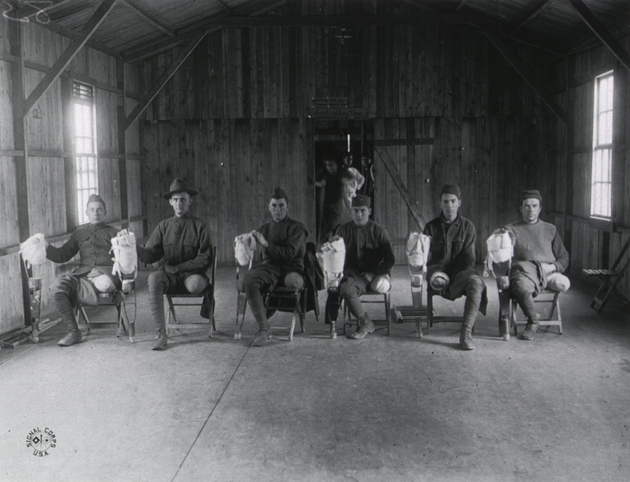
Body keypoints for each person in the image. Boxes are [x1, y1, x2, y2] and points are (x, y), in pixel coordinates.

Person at [136, 179, 213, 350]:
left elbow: (205, 258)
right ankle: (160, 334)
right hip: (170, 277)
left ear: (190, 201)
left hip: (193, 275)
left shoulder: (201, 226)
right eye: (176, 200)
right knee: (154, 278)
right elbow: (150, 255)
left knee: (194, 285)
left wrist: (179, 268)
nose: (179, 203)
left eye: (183, 199)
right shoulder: (163, 226)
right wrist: (133, 248)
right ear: (171, 202)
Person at [46, 194, 121, 347]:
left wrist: (104, 272)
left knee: (104, 284)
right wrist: (46, 247)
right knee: (57, 287)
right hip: (83, 275)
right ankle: (74, 332)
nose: (96, 213)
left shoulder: (115, 233)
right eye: (92, 210)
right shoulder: (79, 234)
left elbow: (123, 262)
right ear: (86, 212)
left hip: (107, 275)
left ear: (105, 212)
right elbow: (63, 255)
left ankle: (91, 285)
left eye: (100, 210)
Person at [423, 184, 487, 350]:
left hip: (460, 272)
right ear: (440, 204)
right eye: (445, 202)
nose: (449, 205)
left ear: (459, 203)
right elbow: (425, 258)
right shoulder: (430, 227)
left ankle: (465, 333)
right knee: (438, 280)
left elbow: (468, 258)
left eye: (453, 201)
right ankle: (443, 283)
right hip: (437, 273)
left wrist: (456, 277)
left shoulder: (468, 227)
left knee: (476, 283)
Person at [242, 187, 308, 347]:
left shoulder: (297, 227)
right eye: (274, 206)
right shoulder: (264, 229)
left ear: (287, 207)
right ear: (268, 207)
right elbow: (256, 256)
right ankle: (264, 328)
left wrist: (265, 244)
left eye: (281, 206)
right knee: (249, 279)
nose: (277, 210)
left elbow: (289, 254)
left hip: (291, 267)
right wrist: (245, 243)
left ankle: (268, 312)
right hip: (271, 268)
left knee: (292, 282)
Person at [503, 190, 570, 341]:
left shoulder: (550, 229)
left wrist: (552, 267)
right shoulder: (511, 229)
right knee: (520, 285)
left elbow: (564, 257)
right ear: (520, 208)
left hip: (547, 271)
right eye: (527, 206)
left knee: (564, 283)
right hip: (524, 272)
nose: (530, 210)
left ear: (540, 208)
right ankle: (533, 322)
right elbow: (502, 256)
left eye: (534, 206)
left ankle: (533, 299)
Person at [327, 194, 395, 339]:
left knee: (347, 288)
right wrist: (332, 245)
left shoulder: (379, 231)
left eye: (362, 211)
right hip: (350, 274)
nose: (359, 214)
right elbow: (335, 255)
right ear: (351, 212)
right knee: (344, 287)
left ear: (369, 211)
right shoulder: (343, 231)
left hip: (371, 274)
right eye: (356, 211)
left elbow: (390, 259)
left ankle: (365, 323)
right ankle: (365, 321)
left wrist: (374, 273)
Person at [316, 148, 364, 246]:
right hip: (325, 203)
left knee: (333, 225)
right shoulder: (323, 172)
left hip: (338, 202)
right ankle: (326, 245)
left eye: (331, 165)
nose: (329, 168)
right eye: (327, 165)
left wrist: (346, 182)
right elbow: (311, 180)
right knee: (327, 225)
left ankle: (322, 243)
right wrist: (319, 183)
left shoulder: (342, 171)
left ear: (337, 163)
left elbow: (353, 178)